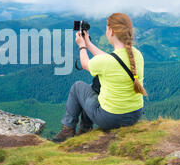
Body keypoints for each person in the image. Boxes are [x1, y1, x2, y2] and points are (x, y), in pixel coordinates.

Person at [52, 13, 147, 143]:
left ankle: (68, 130)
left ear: (111, 31)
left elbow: (85, 64)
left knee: (78, 87)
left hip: (111, 118)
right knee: (95, 84)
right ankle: (84, 130)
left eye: (107, 28)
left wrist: (82, 46)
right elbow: (111, 60)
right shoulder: (137, 55)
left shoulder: (106, 62)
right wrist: (88, 43)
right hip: (134, 114)